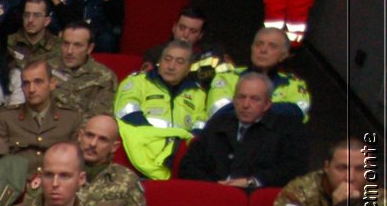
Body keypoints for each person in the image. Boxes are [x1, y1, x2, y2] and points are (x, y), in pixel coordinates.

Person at [178, 72, 307, 191]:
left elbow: (291, 170)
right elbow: (188, 165)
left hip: (255, 201)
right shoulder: (218, 123)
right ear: (234, 99)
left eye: (254, 99)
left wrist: (251, 182)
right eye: (241, 97)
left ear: (267, 104)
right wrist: (216, 186)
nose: (245, 104)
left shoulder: (286, 129)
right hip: (212, 195)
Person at [115, 40, 209, 180]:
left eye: (180, 61)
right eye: (167, 59)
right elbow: (126, 114)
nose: (171, 66)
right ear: (160, 60)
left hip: (178, 164)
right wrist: (159, 142)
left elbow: (200, 128)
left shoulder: (198, 94)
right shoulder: (137, 82)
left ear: (189, 67)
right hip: (137, 159)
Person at [265, 136, 365, 206]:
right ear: (327, 167)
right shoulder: (300, 190)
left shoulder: (377, 196)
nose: (350, 177)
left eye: (360, 169)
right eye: (342, 168)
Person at [208, 27, 311, 124]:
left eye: (272, 46)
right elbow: (219, 112)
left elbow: (299, 112)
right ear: (252, 48)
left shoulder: (292, 84)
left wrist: (249, 111)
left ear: (283, 55)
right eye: (259, 44)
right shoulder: (227, 78)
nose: (263, 50)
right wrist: (272, 112)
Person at [76, 114, 150, 206]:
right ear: (80, 136)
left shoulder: (126, 179)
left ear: (114, 147)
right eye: (89, 135)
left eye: (102, 139)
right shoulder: (56, 171)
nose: (93, 144)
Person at [0, 60, 83, 164]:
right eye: (26, 83)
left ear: (52, 84)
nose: (31, 89)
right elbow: (0, 164)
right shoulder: (6, 118)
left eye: (38, 82)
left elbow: (74, 162)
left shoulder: (70, 119)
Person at [52, 21, 117, 120]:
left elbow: (100, 119)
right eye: (66, 44)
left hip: (82, 132)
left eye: (77, 45)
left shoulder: (104, 76)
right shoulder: (45, 68)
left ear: (89, 48)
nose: (69, 51)